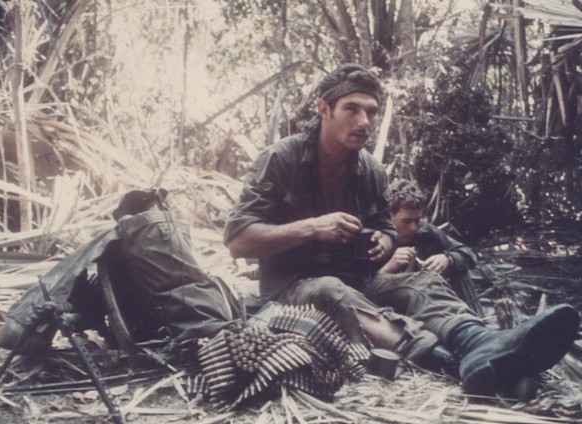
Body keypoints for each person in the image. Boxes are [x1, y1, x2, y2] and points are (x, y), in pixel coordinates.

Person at [223, 63, 580, 399]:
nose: (365, 121)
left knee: (420, 283)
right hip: (291, 289)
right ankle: (454, 365)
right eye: (352, 109)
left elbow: (384, 227)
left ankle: (478, 342)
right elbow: (238, 240)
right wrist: (313, 227)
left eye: (372, 111)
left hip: (358, 281)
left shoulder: (371, 170)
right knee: (330, 290)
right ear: (323, 109)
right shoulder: (280, 159)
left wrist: (385, 240)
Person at [381, 178, 484, 316]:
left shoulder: (425, 231)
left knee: (459, 270)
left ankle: (478, 322)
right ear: (389, 217)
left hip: (425, 299)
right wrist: (390, 267)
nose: (413, 227)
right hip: (387, 307)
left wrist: (447, 258)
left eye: (417, 220)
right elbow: (362, 289)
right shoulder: (375, 235)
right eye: (406, 221)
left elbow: (469, 254)